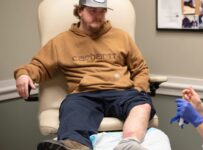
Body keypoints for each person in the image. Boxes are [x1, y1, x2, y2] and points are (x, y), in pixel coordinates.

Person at [14, 0, 156, 150]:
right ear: (80, 11)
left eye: (102, 11)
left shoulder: (122, 37)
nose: (98, 15)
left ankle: (129, 144)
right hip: (84, 95)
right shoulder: (61, 41)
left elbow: (140, 68)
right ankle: (75, 146)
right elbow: (39, 65)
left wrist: (139, 88)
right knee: (72, 108)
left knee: (142, 104)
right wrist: (24, 75)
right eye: (92, 11)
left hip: (122, 92)